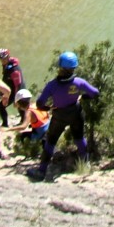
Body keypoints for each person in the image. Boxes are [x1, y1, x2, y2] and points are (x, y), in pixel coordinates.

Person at [29, 51, 99, 180]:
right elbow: (95, 92)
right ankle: (86, 166)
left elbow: (39, 103)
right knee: (79, 137)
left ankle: (41, 171)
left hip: (59, 115)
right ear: (73, 68)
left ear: (60, 67)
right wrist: (82, 96)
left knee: (50, 141)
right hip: (75, 114)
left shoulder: (52, 85)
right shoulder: (79, 82)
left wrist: (48, 108)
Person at [0, 48, 25, 127]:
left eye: (4, 58)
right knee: (19, 106)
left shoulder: (14, 69)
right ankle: (22, 120)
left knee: (2, 107)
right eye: (1, 59)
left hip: (16, 90)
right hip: (10, 89)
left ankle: (7, 124)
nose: (2, 60)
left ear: (8, 57)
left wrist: (16, 99)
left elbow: (17, 85)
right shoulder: (6, 65)